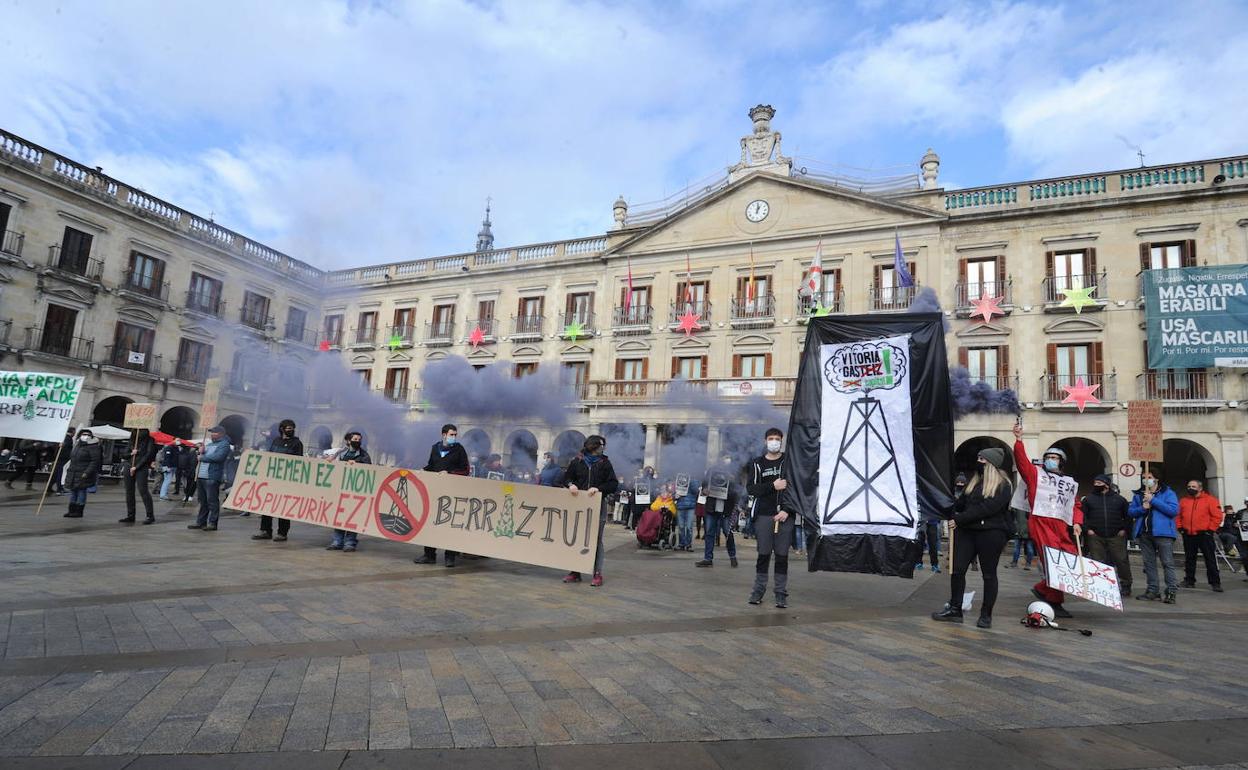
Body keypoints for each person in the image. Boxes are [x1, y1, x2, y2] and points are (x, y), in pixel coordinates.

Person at [932, 447, 1013, 628]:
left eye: (982, 459)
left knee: (989, 575)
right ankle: (955, 609)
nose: (979, 462)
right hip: (967, 532)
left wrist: (959, 519)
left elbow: (988, 508)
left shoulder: (1003, 485)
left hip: (991, 534)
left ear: (991, 463)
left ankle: (986, 615)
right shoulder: (974, 483)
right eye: (978, 458)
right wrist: (948, 509)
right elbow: (960, 504)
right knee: (957, 569)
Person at [1012, 424, 1083, 619]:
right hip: (1042, 523)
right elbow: (1022, 464)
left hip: (1061, 526)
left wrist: (1077, 522)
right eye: (1048, 458)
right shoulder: (1036, 475)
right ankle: (1054, 601)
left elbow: (1075, 504)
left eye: (1055, 458)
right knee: (1053, 563)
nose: (1051, 460)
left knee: (1070, 561)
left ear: (1061, 462)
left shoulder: (1069, 482)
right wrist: (1019, 441)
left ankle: (1042, 588)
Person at [562, 435, 618, 586]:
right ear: (591, 446)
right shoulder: (577, 462)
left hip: (598, 506)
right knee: (578, 538)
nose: (602, 448)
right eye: (600, 445)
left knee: (596, 540)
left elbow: (613, 484)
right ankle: (575, 571)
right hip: (578, 506)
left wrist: (599, 488)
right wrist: (570, 485)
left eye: (603, 446)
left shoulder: (605, 463)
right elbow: (565, 478)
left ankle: (597, 572)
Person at [746, 427, 793, 608]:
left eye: (777, 438)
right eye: (771, 438)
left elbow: (795, 489)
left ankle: (781, 593)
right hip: (764, 515)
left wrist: (787, 510)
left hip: (784, 515)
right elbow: (751, 489)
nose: (774, 441)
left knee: (782, 556)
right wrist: (773, 485)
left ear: (781, 441)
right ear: (765, 441)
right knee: (763, 555)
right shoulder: (757, 463)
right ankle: (758, 590)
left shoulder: (788, 462)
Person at [416, 424, 469, 567]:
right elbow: (431, 465)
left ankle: (450, 556)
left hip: (452, 493)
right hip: (435, 492)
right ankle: (429, 554)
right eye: (451, 434)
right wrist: (423, 470)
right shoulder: (435, 448)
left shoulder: (459, 449)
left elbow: (465, 470)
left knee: (449, 525)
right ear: (443, 434)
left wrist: (449, 473)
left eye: (455, 435)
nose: (454, 437)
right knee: (430, 522)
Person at [1129, 468, 1180, 603]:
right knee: (1149, 564)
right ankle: (1152, 590)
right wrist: (1142, 508)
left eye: (1149, 477)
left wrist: (1153, 501)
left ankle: (1171, 591)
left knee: (1167, 563)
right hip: (1145, 534)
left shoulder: (1168, 493)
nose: (1146, 479)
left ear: (1156, 478)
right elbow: (1131, 512)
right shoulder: (1139, 495)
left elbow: (1173, 510)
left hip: (1163, 534)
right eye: (1144, 477)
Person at [1081, 473, 1133, 596]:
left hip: (1116, 535)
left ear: (1107, 485)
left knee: (1121, 560)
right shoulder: (1089, 499)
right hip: (1095, 535)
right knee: (1097, 561)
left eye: (1099, 483)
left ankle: (1126, 584)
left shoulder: (1120, 499)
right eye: (1095, 483)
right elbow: (1083, 516)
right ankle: (1100, 585)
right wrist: (1088, 530)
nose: (1096, 485)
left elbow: (1127, 517)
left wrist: (1124, 530)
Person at [254, 419, 303, 542]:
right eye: (288, 428)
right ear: (282, 429)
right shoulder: (276, 441)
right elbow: (269, 457)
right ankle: (265, 530)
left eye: (292, 428)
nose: (290, 430)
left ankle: (282, 533)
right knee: (267, 505)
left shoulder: (297, 443)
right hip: (272, 479)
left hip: (286, 481)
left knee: (283, 507)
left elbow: (300, 462)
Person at [328, 431, 371, 552]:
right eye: (355, 439)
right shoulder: (340, 452)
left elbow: (370, 468)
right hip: (340, 488)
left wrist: (357, 463)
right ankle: (337, 541)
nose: (357, 441)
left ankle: (350, 542)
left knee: (353, 517)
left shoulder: (364, 455)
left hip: (355, 491)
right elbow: (331, 463)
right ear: (348, 441)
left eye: (359, 439)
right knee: (339, 515)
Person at [1178, 480, 1224, 592]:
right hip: (1188, 534)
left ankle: (1215, 582)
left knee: (1210, 559)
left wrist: (1210, 530)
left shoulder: (1210, 500)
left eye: (1193, 486)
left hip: (1204, 534)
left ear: (1200, 488)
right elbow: (1177, 515)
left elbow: (1217, 516)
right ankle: (1189, 580)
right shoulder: (1183, 501)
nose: (1190, 488)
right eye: (1189, 486)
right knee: (1189, 559)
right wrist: (1180, 528)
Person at [696, 454, 740, 568]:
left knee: (728, 532)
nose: (726, 460)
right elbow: (704, 484)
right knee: (709, 533)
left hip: (727, 508)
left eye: (727, 458)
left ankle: (733, 556)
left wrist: (733, 482)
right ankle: (708, 558)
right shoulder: (711, 471)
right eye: (724, 458)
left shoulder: (734, 472)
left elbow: (738, 491)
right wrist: (705, 490)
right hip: (712, 506)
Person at [188, 426, 231, 531]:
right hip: (202, 475)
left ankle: (212, 522)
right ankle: (201, 522)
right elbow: (200, 456)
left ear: (221, 433)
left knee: (212, 501)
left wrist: (202, 457)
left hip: (212, 476)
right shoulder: (209, 444)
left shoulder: (224, 445)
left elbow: (218, 457)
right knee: (202, 501)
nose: (212, 434)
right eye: (211, 433)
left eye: (214, 433)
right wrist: (200, 451)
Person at [120, 429, 158, 524]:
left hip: (141, 467)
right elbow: (124, 454)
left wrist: (136, 467)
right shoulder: (132, 439)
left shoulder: (150, 440)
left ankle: (150, 515)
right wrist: (131, 453)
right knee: (129, 491)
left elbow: (148, 455)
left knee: (143, 490)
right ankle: (130, 515)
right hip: (128, 465)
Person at [63, 429, 102, 518]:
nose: (85, 436)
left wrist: (87, 472)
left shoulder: (93, 447)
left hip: (84, 473)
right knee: (73, 491)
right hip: (73, 472)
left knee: (81, 491)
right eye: (84, 434)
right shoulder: (77, 445)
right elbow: (72, 457)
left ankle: (78, 511)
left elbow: (95, 461)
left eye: (88, 435)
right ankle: (71, 510)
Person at [1222, 500, 1248, 578]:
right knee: (1244, 557)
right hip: (1243, 537)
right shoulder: (1240, 512)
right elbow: (1233, 522)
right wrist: (1235, 524)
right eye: (1247, 502)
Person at [674, 475, 698, 552]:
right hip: (681, 505)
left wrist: (690, 483)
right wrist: (675, 496)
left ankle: (688, 544)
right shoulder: (678, 479)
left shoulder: (694, 480)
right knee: (681, 527)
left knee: (689, 527)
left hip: (690, 506)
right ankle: (681, 544)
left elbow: (696, 491)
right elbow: (673, 493)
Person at [50, 429, 73, 495]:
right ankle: (59, 489)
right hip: (62, 458)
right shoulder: (68, 438)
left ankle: (50, 487)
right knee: (59, 473)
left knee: (56, 473)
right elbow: (65, 449)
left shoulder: (63, 437)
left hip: (59, 458)